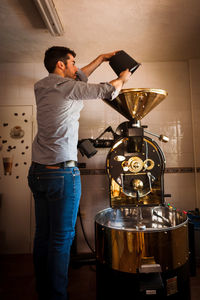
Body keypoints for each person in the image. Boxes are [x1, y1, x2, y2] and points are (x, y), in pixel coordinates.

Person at [28, 46, 131, 300]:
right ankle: (56, 296)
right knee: (61, 240)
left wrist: (100, 59)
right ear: (61, 65)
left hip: (38, 173)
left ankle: (44, 291)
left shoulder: (42, 86)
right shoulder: (68, 88)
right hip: (62, 175)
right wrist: (124, 76)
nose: (76, 67)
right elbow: (106, 90)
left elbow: (77, 79)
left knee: (43, 236)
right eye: (73, 63)